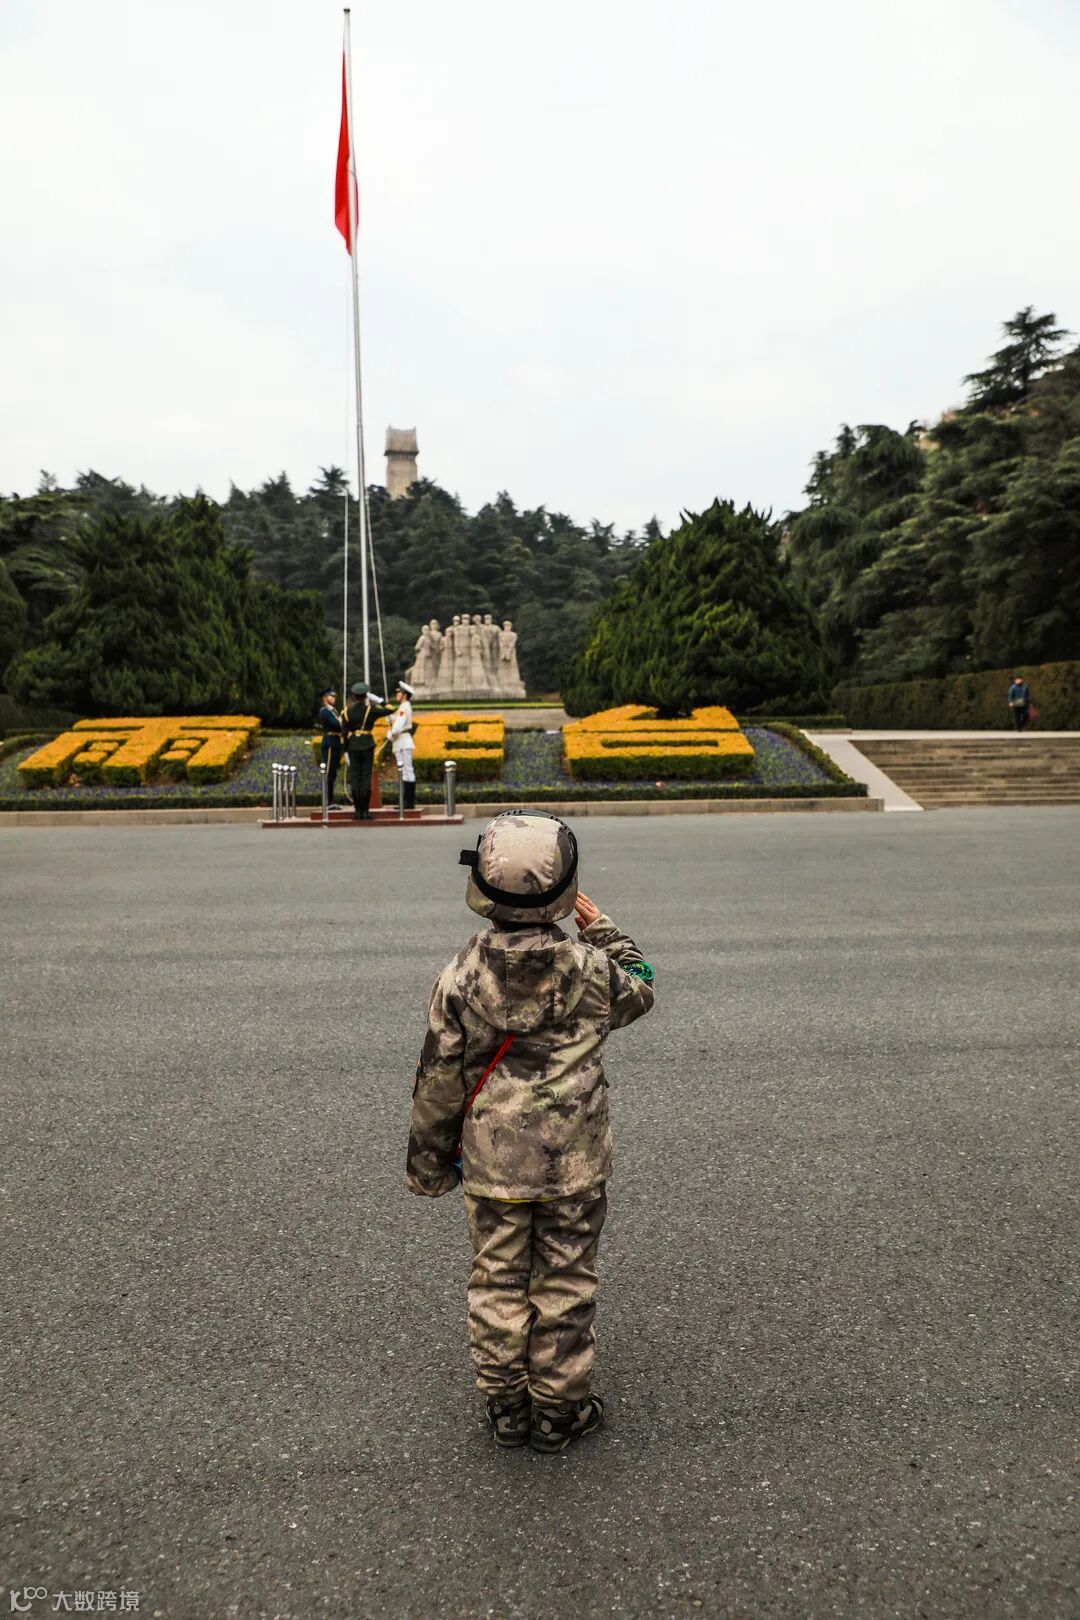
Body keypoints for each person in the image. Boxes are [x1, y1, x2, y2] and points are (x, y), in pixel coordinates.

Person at [406, 811, 655, 1452]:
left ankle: (507, 1404)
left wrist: (429, 1164)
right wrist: (605, 932)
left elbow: (438, 1079)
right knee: (566, 1276)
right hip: (574, 1160)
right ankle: (558, 1409)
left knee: (496, 1275)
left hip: (492, 1162)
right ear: (565, 889)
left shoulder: (460, 977)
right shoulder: (592, 971)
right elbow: (643, 988)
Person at [341, 681, 392, 820]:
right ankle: (365, 811)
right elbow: (390, 709)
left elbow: (344, 733)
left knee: (355, 779)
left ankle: (357, 811)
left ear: (354, 695)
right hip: (367, 745)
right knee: (365, 778)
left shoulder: (346, 711)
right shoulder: (370, 710)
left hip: (353, 746)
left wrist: (345, 750)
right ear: (365, 696)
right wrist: (380, 700)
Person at [388, 680, 417, 810]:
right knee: (405, 771)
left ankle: (408, 802)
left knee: (406, 771)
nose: (397, 695)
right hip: (402, 741)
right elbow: (396, 721)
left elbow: (397, 727)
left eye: (399, 693)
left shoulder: (403, 708)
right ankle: (406, 801)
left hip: (402, 741)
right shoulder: (403, 707)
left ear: (404, 695)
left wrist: (390, 734)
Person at [317, 686, 344, 808]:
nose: (333, 698)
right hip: (330, 742)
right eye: (330, 696)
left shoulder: (334, 711)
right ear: (325, 698)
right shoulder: (325, 711)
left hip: (336, 741)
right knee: (328, 772)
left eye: (333, 696)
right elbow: (336, 724)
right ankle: (327, 800)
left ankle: (330, 799)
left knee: (332, 773)